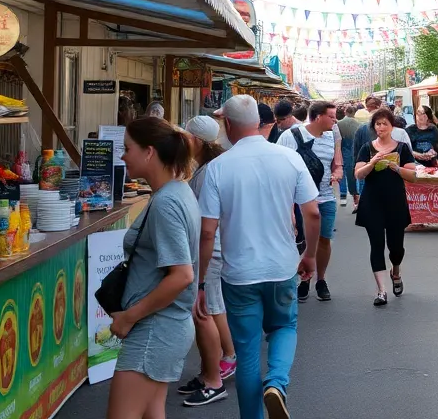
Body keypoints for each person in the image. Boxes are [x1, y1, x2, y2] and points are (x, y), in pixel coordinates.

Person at [198, 95, 320, 419]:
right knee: (284, 327)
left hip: (238, 274)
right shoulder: (288, 158)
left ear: (227, 125)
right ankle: (277, 384)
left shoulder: (217, 168)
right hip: (282, 267)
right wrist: (309, 255)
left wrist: (199, 280)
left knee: (248, 352)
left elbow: (207, 232)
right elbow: (312, 213)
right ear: (258, 121)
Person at [106, 117, 200, 419]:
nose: (122, 156)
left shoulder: (167, 202)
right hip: (165, 326)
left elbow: (182, 275)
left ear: (149, 152)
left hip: (155, 328)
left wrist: (128, 318)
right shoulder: (176, 192)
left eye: (127, 148)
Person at [179, 115, 236, 406]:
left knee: (206, 311)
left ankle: (216, 373)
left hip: (209, 251)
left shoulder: (207, 172)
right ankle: (211, 370)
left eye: (186, 136)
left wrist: (198, 272)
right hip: (215, 248)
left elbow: (205, 226)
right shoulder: (212, 166)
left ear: (197, 141)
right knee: (213, 308)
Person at [353, 107, 419, 306]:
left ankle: (395, 271)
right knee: (376, 245)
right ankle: (381, 290)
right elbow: (358, 174)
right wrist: (372, 162)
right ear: (373, 126)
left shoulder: (402, 148)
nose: (381, 127)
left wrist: (397, 168)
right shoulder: (367, 148)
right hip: (372, 201)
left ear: (392, 127)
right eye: (378, 124)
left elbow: (413, 176)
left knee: (396, 247)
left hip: (395, 201)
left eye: (385, 124)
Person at [278, 101, 342, 302]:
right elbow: (279, 168)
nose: (335, 120)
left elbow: (337, 163)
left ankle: (320, 280)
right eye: (331, 116)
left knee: (324, 239)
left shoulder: (332, 136)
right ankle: (304, 280)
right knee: (305, 240)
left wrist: (337, 171)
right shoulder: (291, 136)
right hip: (300, 200)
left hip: (326, 196)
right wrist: (287, 207)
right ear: (317, 117)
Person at [349, 97, 381, 213]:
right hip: (382, 165)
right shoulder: (390, 129)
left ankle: (366, 209)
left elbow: (356, 150)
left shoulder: (362, 128)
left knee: (364, 187)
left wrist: (355, 167)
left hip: (365, 165)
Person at [336, 105, 360, 207]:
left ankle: (343, 198)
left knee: (342, 175)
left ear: (345, 112)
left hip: (341, 151)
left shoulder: (338, 124)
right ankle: (355, 198)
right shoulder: (359, 124)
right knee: (352, 176)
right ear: (354, 113)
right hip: (354, 153)